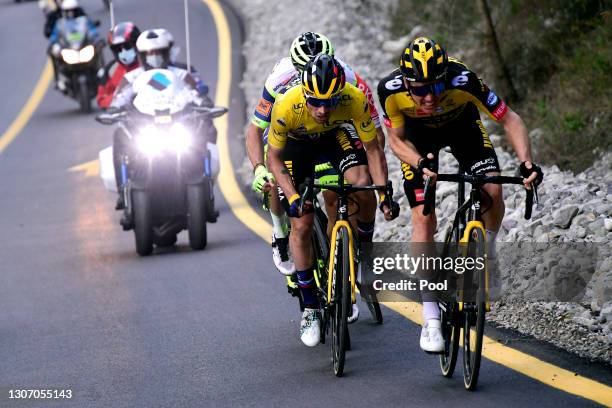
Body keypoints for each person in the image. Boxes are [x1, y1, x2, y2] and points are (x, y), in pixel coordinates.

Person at [377, 37, 544, 353]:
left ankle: (487, 251)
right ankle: (430, 319)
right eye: (420, 90)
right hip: (417, 140)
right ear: (406, 83)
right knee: (423, 217)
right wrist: (418, 162)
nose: (429, 97)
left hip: (462, 128)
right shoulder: (391, 90)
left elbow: (509, 117)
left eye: (436, 88)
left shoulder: (463, 79)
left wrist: (526, 162)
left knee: (492, 188)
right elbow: (395, 140)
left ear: (446, 79)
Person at [267, 54, 399, 347]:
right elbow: (273, 158)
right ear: (305, 93)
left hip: (333, 140)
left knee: (362, 183)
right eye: (316, 101)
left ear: (341, 92)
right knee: (301, 223)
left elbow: (374, 149)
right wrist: (292, 196)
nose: (323, 109)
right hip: (295, 146)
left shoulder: (353, 98)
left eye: (330, 101)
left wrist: (384, 194)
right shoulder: (287, 104)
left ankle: (362, 253)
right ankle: (311, 308)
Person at [246, 32, 384, 280]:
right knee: (275, 181)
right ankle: (279, 234)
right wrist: (258, 168)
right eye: (303, 70)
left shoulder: (349, 79)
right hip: (289, 132)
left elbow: (375, 135)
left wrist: (369, 173)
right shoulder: (281, 79)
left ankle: (339, 273)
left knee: (343, 189)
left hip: (332, 132)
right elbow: (256, 129)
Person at [110, 29, 219, 222]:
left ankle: (206, 186)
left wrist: (204, 102)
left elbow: (196, 92)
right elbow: (119, 98)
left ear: (168, 51)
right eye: (149, 54)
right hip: (145, 129)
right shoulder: (131, 78)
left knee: (206, 129)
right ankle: (122, 192)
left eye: (159, 52)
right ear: (141, 55)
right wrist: (113, 109)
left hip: (177, 127)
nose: (154, 57)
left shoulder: (183, 74)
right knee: (119, 135)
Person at [47, 0, 99, 90]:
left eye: (72, 10)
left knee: (97, 48)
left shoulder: (83, 19)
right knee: (52, 53)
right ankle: (59, 80)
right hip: (67, 47)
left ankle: (100, 72)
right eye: (68, 11)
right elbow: (53, 35)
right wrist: (54, 44)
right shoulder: (58, 21)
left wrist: (96, 39)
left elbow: (91, 30)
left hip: (82, 46)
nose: (70, 13)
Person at [97, 22, 141, 110]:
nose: (123, 51)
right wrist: (117, 98)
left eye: (127, 46)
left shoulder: (148, 64)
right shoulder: (111, 70)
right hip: (126, 118)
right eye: (118, 49)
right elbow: (101, 99)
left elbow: (168, 85)